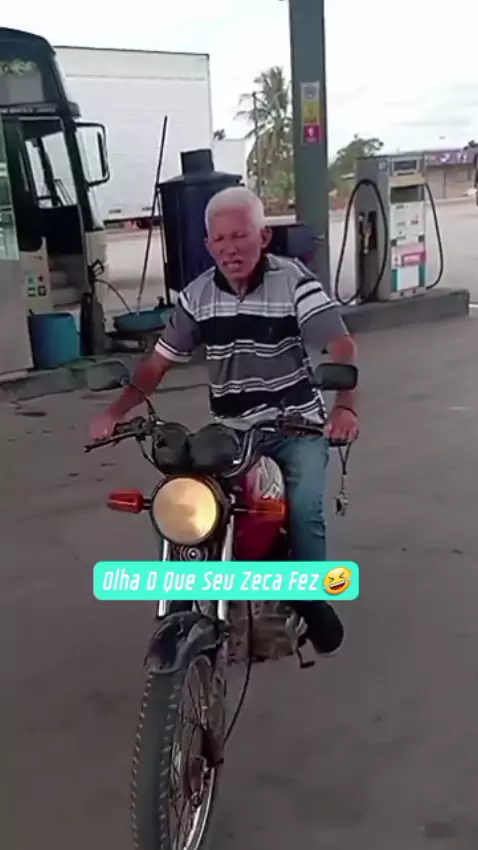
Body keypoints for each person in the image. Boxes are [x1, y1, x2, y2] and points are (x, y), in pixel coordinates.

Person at [89, 186, 359, 655]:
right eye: (220, 239)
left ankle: (311, 599)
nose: (230, 248)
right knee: (180, 501)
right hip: (232, 431)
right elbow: (157, 364)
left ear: (263, 237)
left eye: (240, 236)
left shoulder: (294, 282)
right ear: (208, 245)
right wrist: (115, 412)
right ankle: (180, 604)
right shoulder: (197, 296)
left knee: (305, 509)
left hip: (295, 425)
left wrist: (346, 405)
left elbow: (341, 346)